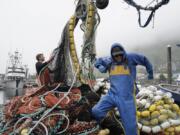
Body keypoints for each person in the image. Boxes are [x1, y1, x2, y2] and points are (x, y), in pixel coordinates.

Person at [91, 43, 153, 135]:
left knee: (131, 127)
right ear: (112, 55)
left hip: (127, 98)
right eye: (116, 55)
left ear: (123, 52)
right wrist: (100, 67)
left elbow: (144, 59)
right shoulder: (109, 60)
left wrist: (150, 73)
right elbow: (97, 61)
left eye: (120, 54)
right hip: (112, 95)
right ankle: (106, 126)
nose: (119, 56)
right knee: (96, 111)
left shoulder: (131, 58)